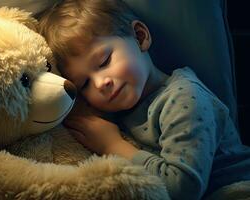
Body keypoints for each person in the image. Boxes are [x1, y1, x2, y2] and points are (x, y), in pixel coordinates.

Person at [38, 0, 250, 199]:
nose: (100, 83)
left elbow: (184, 190)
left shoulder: (184, 98)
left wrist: (112, 144)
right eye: (84, 83)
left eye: (103, 62)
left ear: (140, 37)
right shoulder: (115, 111)